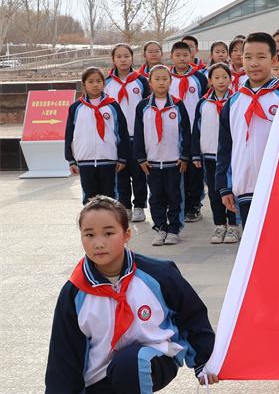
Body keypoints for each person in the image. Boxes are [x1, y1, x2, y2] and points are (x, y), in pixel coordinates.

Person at [45, 196, 218, 394]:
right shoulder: (74, 292)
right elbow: (63, 356)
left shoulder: (158, 274)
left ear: (127, 234)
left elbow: (192, 316)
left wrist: (204, 361)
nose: (98, 243)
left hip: (155, 361)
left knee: (130, 360)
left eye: (108, 233)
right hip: (104, 378)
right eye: (89, 235)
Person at [216, 33, 279, 225]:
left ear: (273, 60)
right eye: (248, 57)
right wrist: (224, 186)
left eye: (261, 57)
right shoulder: (233, 102)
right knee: (251, 239)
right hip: (244, 186)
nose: (254, 63)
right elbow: (225, 147)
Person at [133, 65, 190, 246]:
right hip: (152, 162)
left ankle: (174, 229)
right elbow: (138, 133)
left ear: (170, 81)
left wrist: (185, 156)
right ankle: (160, 228)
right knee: (156, 197)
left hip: (174, 161)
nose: (161, 82)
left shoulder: (178, 105)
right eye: (157, 79)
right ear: (149, 82)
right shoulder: (143, 106)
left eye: (165, 79)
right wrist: (141, 158)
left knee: (175, 196)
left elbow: (185, 132)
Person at [66, 67, 130, 203]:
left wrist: (122, 157)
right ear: (84, 84)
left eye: (99, 81)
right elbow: (69, 135)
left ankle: (110, 217)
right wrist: (70, 159)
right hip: (85, 160)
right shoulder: (76, 107)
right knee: (90, 199)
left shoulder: (113, 106)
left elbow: (122, 133)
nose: (95, 85)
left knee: (110, 199)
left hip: (109, 159)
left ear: (103, 83)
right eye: (91, 81)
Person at [191, 63, 239, 244]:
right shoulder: (203, 103)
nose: (221, 81)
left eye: (225, 77)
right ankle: (219, 224)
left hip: (230, 156)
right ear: (210, 80)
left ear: (231, 79)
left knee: (232, 190)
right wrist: (196, 154)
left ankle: (233, 225)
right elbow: (196, 130)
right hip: (210, 155)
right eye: (216, 77)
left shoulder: (235, 101)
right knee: (213, 191)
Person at [105, 45, 149, 221]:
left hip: (138, 135)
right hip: (116, 137)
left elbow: (148, 106)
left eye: (126, 56)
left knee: (139, 174)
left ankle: (139, 206)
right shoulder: (106, 83)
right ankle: (124, 206)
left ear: (132, 58)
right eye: (119, 57)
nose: (123, 60)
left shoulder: (142, 81)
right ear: (113, 59)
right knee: (120, 173)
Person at [168, 42, 207, 224]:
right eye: (178, 55)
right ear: (171, 57)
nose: (182, 58)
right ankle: (178, 205)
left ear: (191, 56)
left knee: (195, 169)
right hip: (173, 131)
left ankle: (194, 205)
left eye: (185, 55)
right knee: (177, 169)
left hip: (195, 130)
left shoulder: (199, 77)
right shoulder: (166, 77)